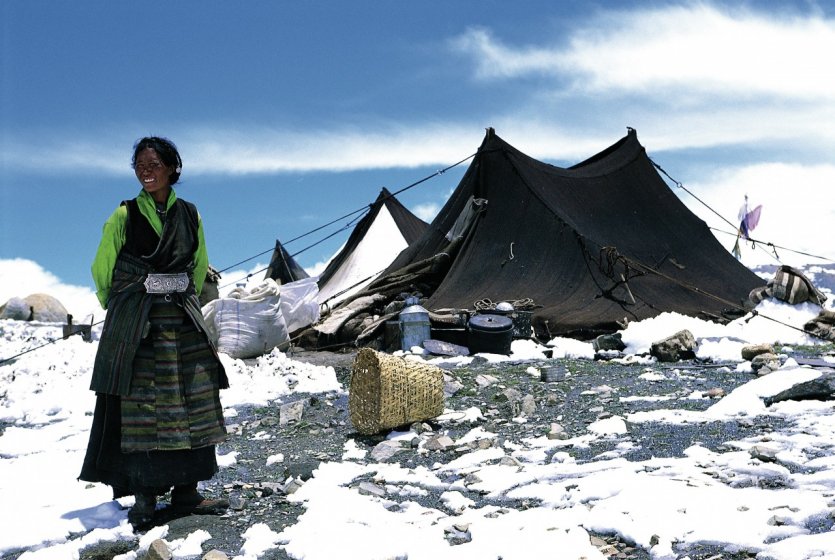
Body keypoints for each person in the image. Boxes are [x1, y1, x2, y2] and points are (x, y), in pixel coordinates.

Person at [79, 136, 229, 530]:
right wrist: (127, 304)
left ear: (171, 168)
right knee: (143, 407)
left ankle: (187, 492)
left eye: (154, 164)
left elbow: (199, 266)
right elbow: (103, 268)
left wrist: (178, 293)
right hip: (141, 327)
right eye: (139, 165)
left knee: (193, 401)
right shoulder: (124, 215)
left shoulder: (191, 214)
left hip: (180, 324)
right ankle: (145, 497)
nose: (146, 171)